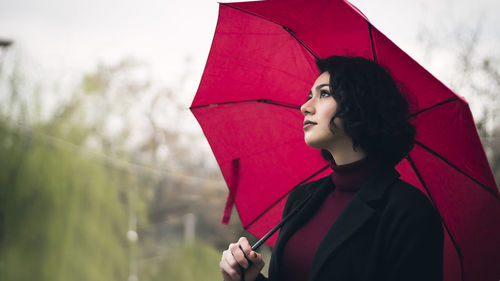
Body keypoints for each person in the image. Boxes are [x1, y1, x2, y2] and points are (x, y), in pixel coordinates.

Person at [219, 56, 444, 281]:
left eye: (324, 94)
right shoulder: (302, 199)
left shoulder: (409, 212)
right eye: (309, 97)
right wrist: (249, 278)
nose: (305, 107)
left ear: (360, 104)